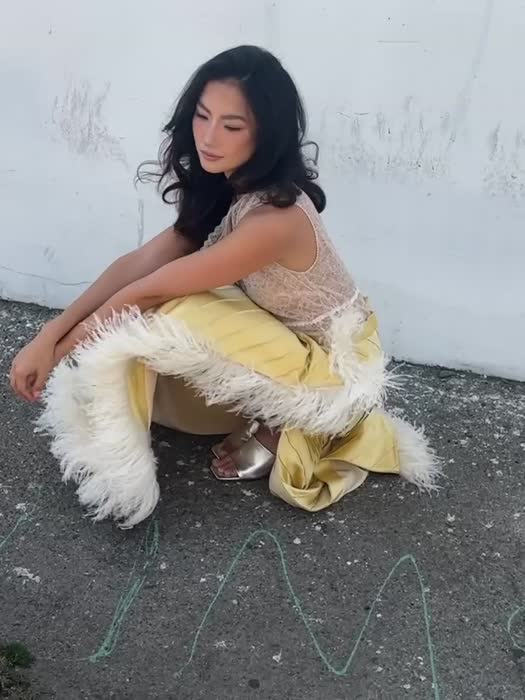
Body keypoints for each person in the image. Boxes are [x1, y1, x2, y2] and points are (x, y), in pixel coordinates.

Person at [9, 45, 441, 527]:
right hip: (281, 338)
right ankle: (249, 409)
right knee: (155, 320)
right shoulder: (228, 186)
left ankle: (290, 423)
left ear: (267, 134)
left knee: (174, 309)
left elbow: (148, 292)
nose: (209, 138)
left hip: (334, 366)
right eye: (202, 116)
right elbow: (138, 265)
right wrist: (49, 335)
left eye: (232, 126)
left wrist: (58, 352)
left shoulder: (274, 219)